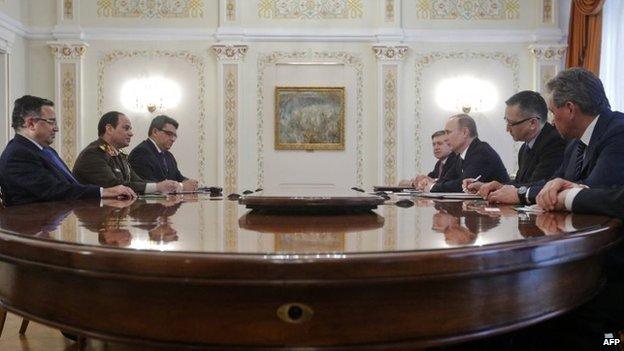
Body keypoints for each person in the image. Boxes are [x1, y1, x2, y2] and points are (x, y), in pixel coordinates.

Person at [478, 67, 624, 206]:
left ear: (570, 109)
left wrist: (523, 194)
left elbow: (593, 190)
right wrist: (513, 190)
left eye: (553, 113)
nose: (552, 122)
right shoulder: (575, 144)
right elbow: (552, 182)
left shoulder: (618, 132)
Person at [0, 96, 135, 206]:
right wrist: (102, 192)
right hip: (32, 229)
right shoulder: (18, 154)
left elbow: (69, 185)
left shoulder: (47, 151)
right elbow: (53, 190)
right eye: (51, 122)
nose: (56, 128)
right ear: (30, 124)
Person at [465, 90, 566, 193]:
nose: (507, 129)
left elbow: (539, 186)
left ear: (532, 123)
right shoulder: (524, 148)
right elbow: (519, 183)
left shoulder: (554, 142)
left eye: (511, 123)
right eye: (506, 121)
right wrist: (485, 186)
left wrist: (498, 187)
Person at [73, 111, 180, 195]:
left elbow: (138, 181)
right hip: (95, 216)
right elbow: (114, 185)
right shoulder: (94, 153)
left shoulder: (119, 154)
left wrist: (162, 186)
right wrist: (157, 187)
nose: (131, 133)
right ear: (109, 129)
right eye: (126, 128)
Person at [418, 114, 509, 192]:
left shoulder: (481, 151)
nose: (445, 138)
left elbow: (463, 185)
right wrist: (427, 183)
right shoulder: (460, 156)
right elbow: (445, 180)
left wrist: (432, 187)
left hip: (501, 210)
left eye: (448, 132)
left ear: (465, 132)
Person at [128, 115, 198, 191]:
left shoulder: (168, 155)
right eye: (169, 134)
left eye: (174, 136)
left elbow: (178, 177)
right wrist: (182, 186)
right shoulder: (141, 152)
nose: (173, 139)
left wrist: (189, 182)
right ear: (155, 132)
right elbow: (149, 185)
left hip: (169, 201)